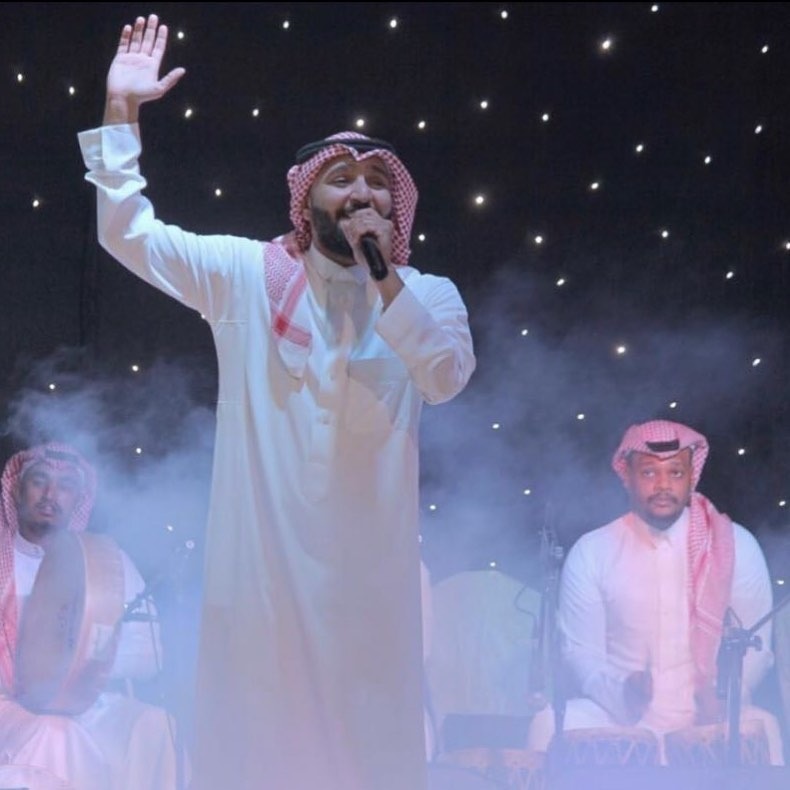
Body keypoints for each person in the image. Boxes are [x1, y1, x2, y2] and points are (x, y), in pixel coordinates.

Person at [78, 14, 475, 790]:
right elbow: (126, 233)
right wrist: (120, 110)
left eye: (377, 182)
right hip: (260, 589)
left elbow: (444, 376)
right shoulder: (244, 278)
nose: (361, 192)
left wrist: (381, 275)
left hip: (369, 597)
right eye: (342, 178)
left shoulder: (426, 294)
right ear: (305, 197)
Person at [527, 419, 784, 764]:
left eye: (675, 473)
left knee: (763, 726)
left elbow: (758, 647)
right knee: (548, 724)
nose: (663, 485)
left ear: (691, 477)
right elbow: (581, 652)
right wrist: (622, 689)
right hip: (621, 717)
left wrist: (726, 696)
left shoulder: (734, 544)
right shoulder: (593, 551)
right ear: (628, 476)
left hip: (710, 714)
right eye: (649, 473)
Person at [0, 442, 178, 789]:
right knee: (53, 732)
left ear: (78, 500)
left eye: (65, 487)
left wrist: (80, 657)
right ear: (17, 490)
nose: (51, 495)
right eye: (39, 481)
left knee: (155, 726)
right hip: (8, 700)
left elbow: (148, 653)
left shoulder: (105, 562)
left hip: (86, 700)